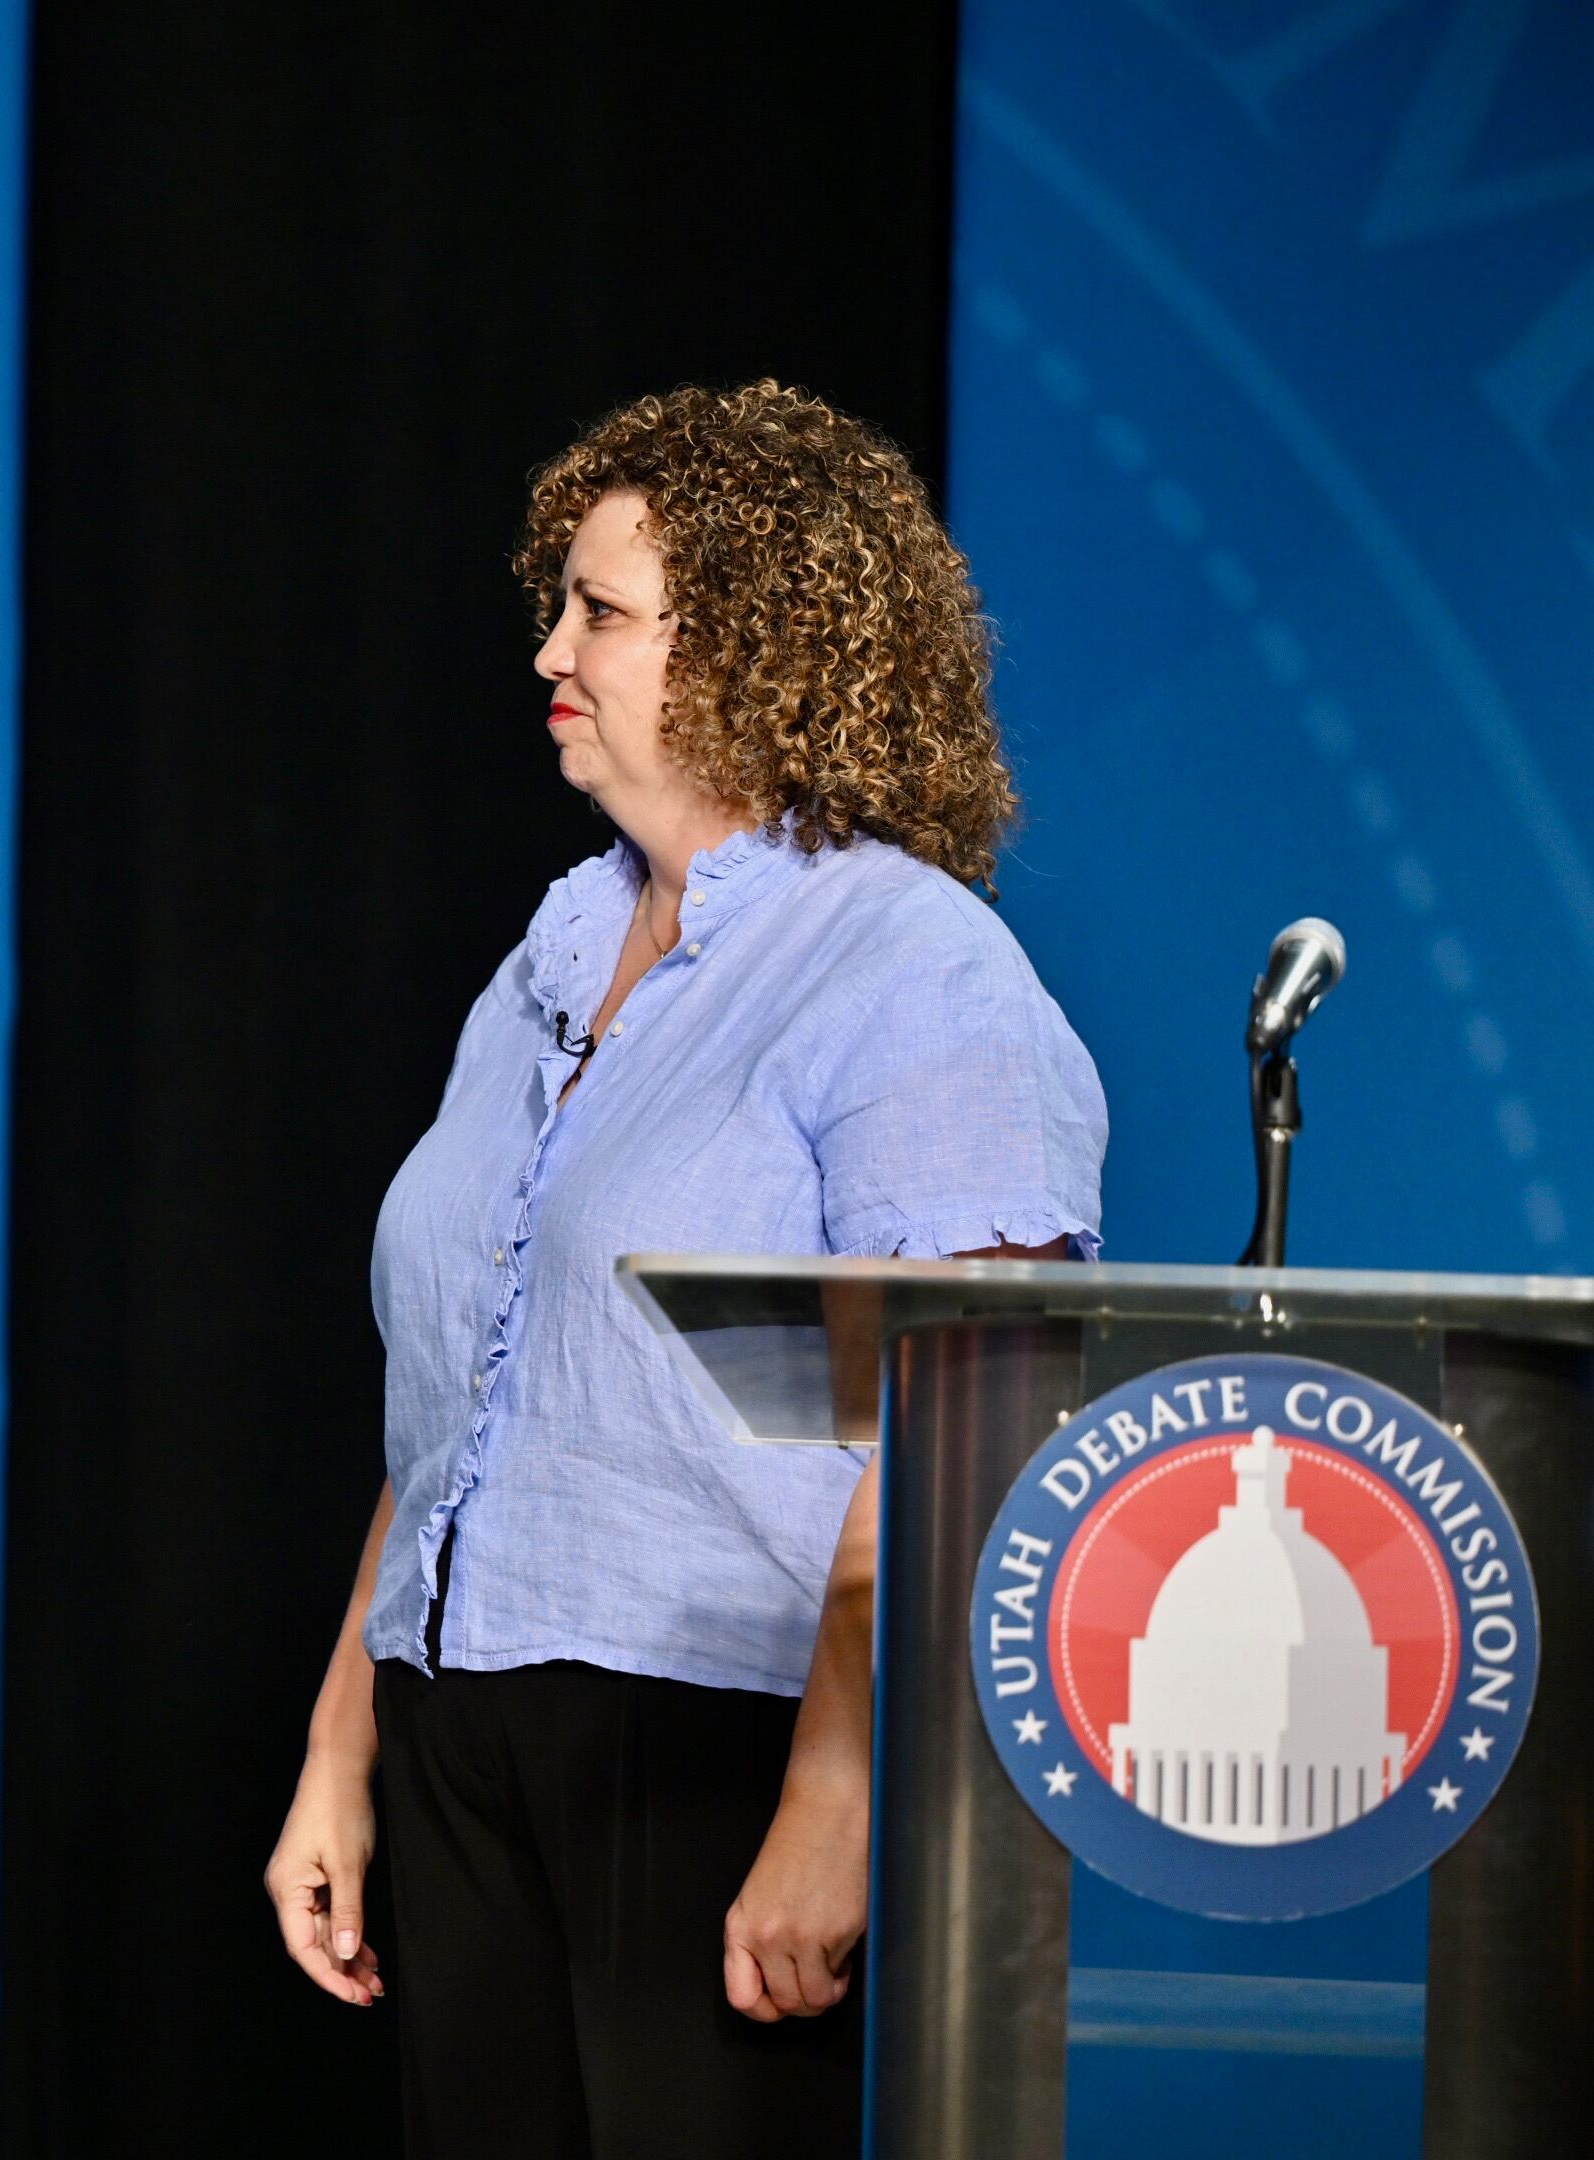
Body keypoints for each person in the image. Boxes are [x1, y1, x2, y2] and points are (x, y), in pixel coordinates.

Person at [262, 382, 1104, 2156]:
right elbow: (458, 1402)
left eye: (602, 613)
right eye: (558, 603)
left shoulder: (911, 966)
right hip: (460, 1728)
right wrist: (344, 1751)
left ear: (763, 649)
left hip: (715, 1748)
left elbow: (978, 1419)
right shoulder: (556, 950)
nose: (549, 649)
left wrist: (836, 1799)